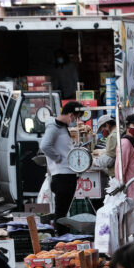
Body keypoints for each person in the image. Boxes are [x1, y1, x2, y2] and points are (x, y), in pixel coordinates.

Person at [40, 101, 84, 235]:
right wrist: (58, 158)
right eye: (75, 117)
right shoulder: (53, 127)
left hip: (68, 173)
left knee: (63, 210)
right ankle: (61, 238)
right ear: (70, 114)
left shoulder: (62, 127)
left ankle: (64, 236)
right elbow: (45, 146)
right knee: (61, 211)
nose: (75, 121)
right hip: (62, 175)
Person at [114, 114, 134, 209]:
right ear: (127, 126)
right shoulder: (125, 143)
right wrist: (121, 191)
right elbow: (120, 169)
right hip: (130, 189)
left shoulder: (133, 142)